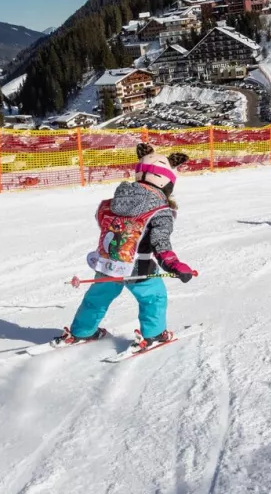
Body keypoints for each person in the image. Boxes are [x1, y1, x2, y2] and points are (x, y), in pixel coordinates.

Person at [60, 144, 198, 348]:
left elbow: (104, 224)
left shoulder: (113, 201)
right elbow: (160, 244)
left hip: (107, 261)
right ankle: (154, 334)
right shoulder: (161, 209)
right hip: (137, 266)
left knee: (97, 297)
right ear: (168, 181)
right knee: (154, 297)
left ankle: (81, 331)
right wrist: (174, 266)